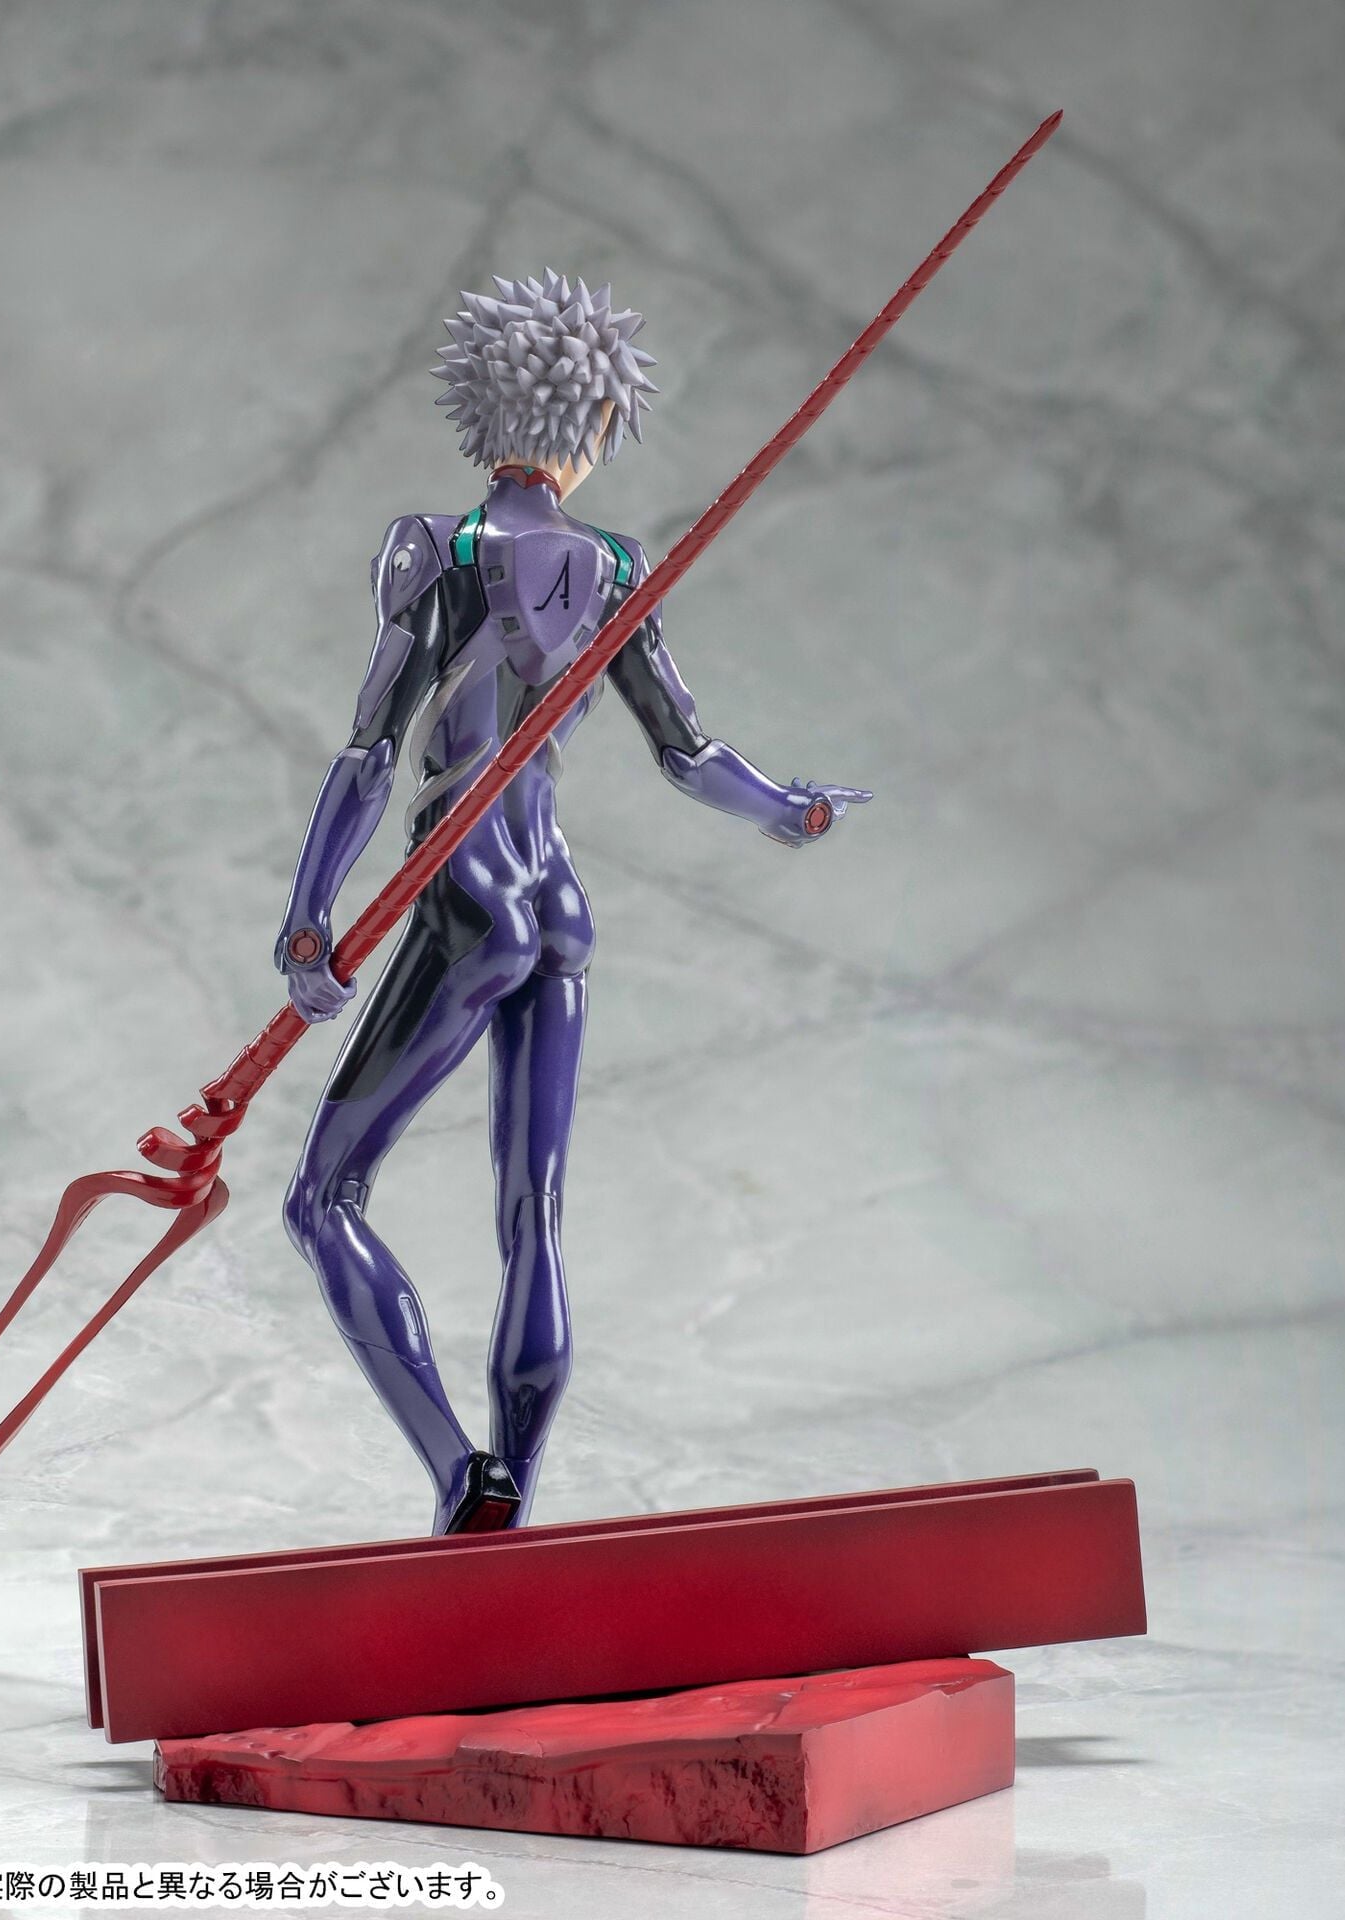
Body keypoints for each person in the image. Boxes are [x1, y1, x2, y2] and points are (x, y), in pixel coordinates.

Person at [276, 272, 870, 1534]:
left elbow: (372, 752)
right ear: (596, 421)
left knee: (322, 1200)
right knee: (532, 1216)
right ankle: (515, 1504)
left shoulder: (437, 552)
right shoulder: (617, 568)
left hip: (469, 899)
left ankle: (465, 1479)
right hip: (556, 907)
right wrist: (790, 810)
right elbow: (689, 756)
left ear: (481, 408)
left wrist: (310, 916)